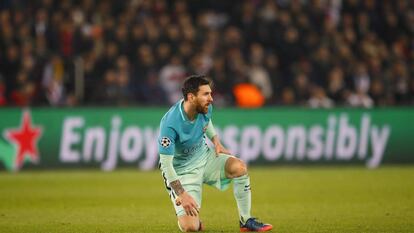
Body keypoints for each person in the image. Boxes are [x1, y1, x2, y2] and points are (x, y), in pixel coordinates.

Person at [157, 74, 273, 232]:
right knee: (190, 227)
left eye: (210, 93)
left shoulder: (204, 107)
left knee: (239, 167)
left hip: (205, 157)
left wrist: (216, 141)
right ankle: (193, 221)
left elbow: (207, 120)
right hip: (183, 173)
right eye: (206, 94)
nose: (211, 98)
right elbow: (166, 165)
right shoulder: (170, 124)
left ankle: (245, 221)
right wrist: (182, 194)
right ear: (191, 97)